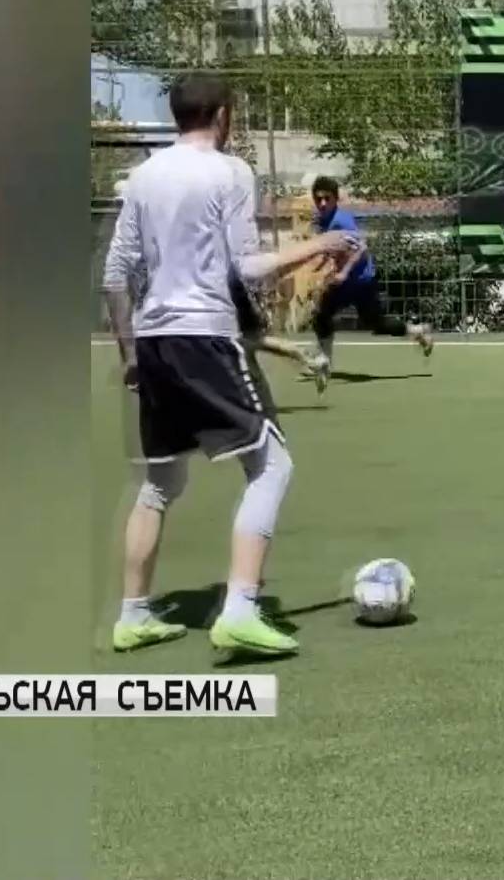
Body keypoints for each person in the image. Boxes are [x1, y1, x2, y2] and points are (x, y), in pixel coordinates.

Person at [100, 74, 359, 657]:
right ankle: (240, 610)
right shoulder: (230, 172)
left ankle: (133, 617)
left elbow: (116, 274)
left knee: (160, 482)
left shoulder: (143, 177)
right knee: (272, 466)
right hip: (206, 337)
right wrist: (320, 246)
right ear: (221, 115)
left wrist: (131, 354)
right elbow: (247, 267)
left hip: (155, 340)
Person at [303, 176, 434, 393]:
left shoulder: (341, 221)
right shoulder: (324, 221)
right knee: (322, 315)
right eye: (319, 199)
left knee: (375, 324)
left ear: (336, 199)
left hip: (362, 281)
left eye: (327, 198)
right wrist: (322, 265)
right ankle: (324, 362)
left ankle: (418, 330)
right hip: (347, 283)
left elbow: (361, 247)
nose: (323, 203)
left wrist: (344, 272)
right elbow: (335, 248)